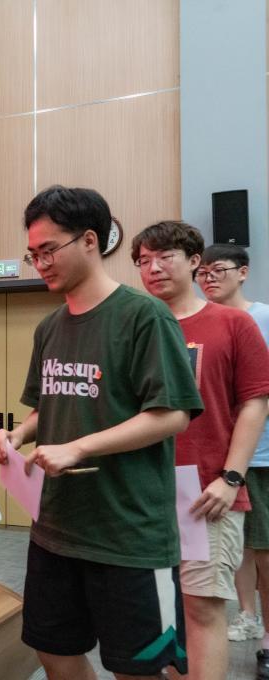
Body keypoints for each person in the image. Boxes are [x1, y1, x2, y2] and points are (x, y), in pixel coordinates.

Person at [0, 186, 203, 680]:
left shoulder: (144, 316)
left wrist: (80, 447)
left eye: (49, 249)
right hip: (57, 530)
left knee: (139, 668)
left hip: (130, 535)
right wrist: (18, 436)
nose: (40, 263)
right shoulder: (49, 327)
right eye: (33, 253)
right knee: (53, 653)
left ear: (90, 240)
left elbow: (172, 414)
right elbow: (48, 406)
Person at [133, 222, 269, 680]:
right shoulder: (135, 324)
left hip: (204, 489)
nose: (153, 268)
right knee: (159, 608)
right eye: (143, 261)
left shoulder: (233, 323)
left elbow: (255, 402)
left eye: (164, 257)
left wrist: (231, 478)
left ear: (194, 262)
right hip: (141, 490)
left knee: (202, 606)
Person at [196, 244, 269, 674]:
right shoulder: (196, 322)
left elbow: (257, 395)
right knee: (237, 548)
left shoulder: (261, 318)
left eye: (218, 270)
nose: (208, 278)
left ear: (243, 272)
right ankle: (246, 615)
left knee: (264, 550)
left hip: (260, 457)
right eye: (202, 271)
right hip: (216, 461)